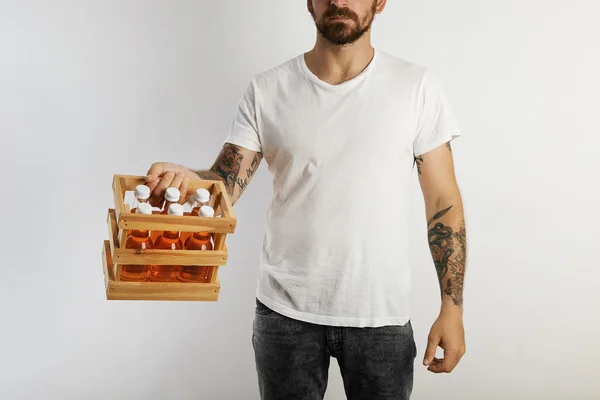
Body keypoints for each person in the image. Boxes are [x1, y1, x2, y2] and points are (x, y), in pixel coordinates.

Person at [145, 0, 467, 398]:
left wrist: (451, 308)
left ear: (380, 2)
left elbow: (442, 202)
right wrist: (187, 179)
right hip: (285, 314)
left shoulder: (416, 87)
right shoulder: (266, 90)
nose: (339, 1)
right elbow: (224, 184)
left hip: (380, 315)